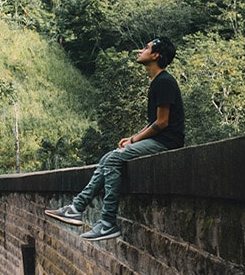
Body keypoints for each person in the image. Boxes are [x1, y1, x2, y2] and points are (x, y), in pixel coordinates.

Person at [47, 37, 184, 241]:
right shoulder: (157, 81)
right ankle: (76, 207)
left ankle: (107, 223)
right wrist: (133, 138)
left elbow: (163, 122)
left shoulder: (164, 82)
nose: (141, 50)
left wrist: (135, 138)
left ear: (156, 55)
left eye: (146, 48)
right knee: (108, 157)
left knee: (112, 159)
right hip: (159, 140)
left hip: (166, 143)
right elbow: (154, 121)